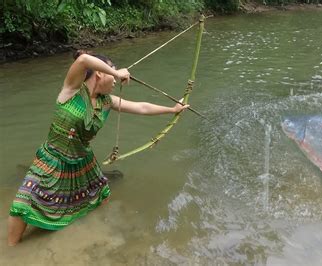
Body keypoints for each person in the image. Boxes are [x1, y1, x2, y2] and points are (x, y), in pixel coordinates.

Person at [7, 50, 189, 246]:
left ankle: (93, 229)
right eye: (112, 73)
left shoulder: (106, 102)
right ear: (100, 73)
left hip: (82, 160)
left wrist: (172, 109)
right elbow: (84, 59)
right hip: (52, 157)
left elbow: (141, 108)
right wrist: (118, 72)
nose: (116, 81)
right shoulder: (72, 90)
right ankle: (11, 249)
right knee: (23, 203)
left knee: (100, 196)